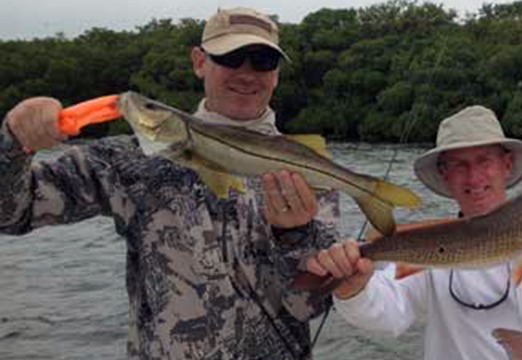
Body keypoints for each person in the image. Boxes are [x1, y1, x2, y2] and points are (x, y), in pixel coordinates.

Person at [0, 7, 335, 359]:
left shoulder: (308, 170)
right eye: (231, 57)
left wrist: (294, 236)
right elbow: (11, 214)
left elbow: (312, 305)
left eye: (263, 60)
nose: (247, 72)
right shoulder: (127, 160)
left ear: (277, 74)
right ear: (199, 61)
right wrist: (13, 142)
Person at [304, 105, 522, 359]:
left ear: (506, 164)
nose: (474, 175)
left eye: (484, 160)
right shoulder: (430, 243)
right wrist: (352, 287)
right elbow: (388, 314)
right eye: (459, 164)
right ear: (444, 174)